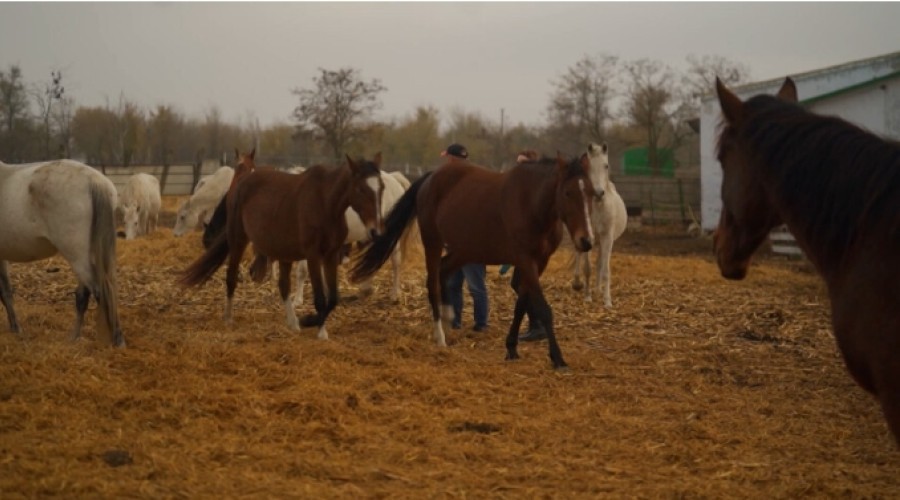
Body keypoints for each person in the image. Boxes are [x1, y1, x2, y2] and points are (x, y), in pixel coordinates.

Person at [441, 143, 489, 332]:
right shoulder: (469, 179)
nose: (446, 161)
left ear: (452, 159)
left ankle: (481, 324)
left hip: (471, 245)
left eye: (447, 158)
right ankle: (455, 321)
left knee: (476, 286)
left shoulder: (470, 182)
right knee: (453, 284)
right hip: (456, 244)